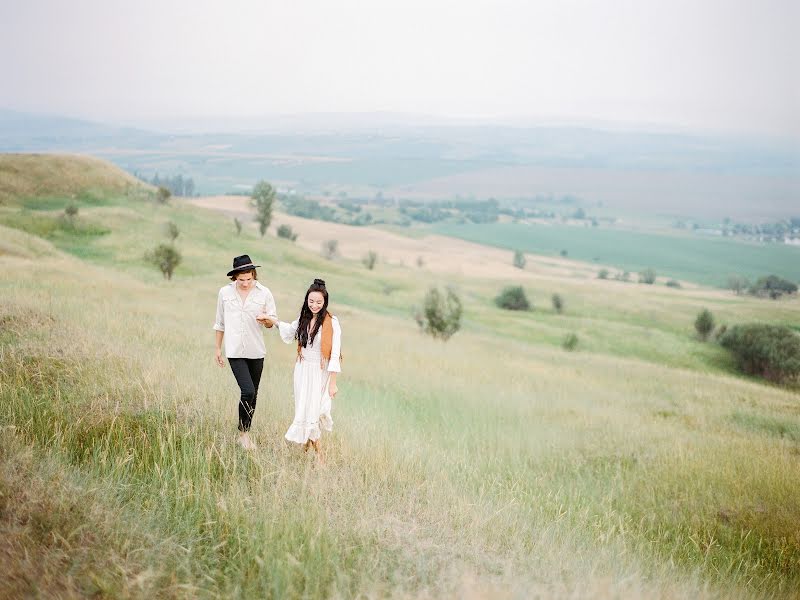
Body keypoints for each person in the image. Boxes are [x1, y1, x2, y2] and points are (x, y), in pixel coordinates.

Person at [268, 278, 341, 460]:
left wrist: (333, 383)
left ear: (325, 302)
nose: (314, 305)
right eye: (311, 301)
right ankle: (308, 450)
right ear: (306, 300)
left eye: (318, 302)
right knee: (304, 409)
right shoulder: (303, 319)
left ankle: (320, 457)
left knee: (314, 411)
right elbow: (289, 330)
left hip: (320, 371)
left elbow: (335, 353)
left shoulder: (332, 322)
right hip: (302, 369)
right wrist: (273, 321)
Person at [213, 254, 277, 450]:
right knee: (247, 390)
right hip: (234, 351)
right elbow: (220, 323)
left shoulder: (264, 293)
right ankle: (242, 433)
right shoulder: (224, 293)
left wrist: (266, 320)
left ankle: (245, 435)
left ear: (253, 275)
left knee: (254, 394)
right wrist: (217, 348)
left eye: (249, 279)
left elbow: (272, 322)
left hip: (256, 350)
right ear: (235, 277)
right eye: (241, 280)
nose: (246, 283)